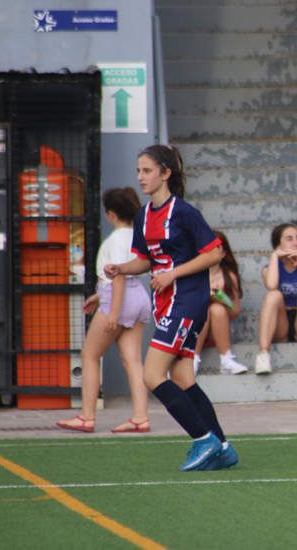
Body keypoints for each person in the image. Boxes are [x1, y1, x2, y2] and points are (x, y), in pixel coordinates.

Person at [105, 144, 237, 471]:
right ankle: (222, 446)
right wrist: (122, 268)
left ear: (166, 173)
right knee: (182, 377)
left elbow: (214, 253)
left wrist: (173, 274)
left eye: (147, 170)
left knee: (152, 375)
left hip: (186, 300)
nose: (141, 177)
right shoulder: (143, 215)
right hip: (167, 302)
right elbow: (145, 260)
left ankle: (202, 439)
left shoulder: (184, 212)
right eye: (138, 171)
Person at [56, 187, 152, 434]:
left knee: (89, 354)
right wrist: (99, 297)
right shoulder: (138, 237)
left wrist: (112, 313)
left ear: (111, 214)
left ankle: (87, 416)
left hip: (118, 300)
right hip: (138, 298)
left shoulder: (115, 240)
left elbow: (118, 277)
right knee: (132, 360)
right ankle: (141, 417)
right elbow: (128, 275)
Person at [255, 223, 297, 374]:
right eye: (289, 239)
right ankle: (263, 355)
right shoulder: (268, 269)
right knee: (274, 295)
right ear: (279, 244)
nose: (296, 242)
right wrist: (274, 256)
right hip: (281, 323)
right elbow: (272, 285)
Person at [193, 230, 249, 375]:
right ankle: (192, 359)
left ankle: (226, 360)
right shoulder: (194, 275)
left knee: (217, 308)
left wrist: (222, 298)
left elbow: (235, 311)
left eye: (215, 249)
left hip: (217, 331)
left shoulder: (229, 276)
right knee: (204, 308)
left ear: (223, 253)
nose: (210, 253)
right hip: (194, 330)